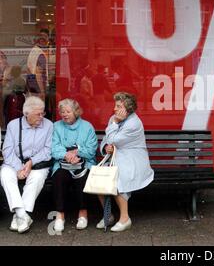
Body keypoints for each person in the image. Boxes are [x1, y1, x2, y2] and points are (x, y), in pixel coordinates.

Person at [98, 92, 154, 232]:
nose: (114, 109)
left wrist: (114, 126)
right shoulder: (114, 118)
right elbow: (107, 140)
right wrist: (106, 148)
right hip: (118, 157)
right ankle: (108, 215)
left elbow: (113, 139)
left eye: (118, 106)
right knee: (99, 179)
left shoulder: (133, 123)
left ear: (127, 109)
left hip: (133, 160)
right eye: (115, 105)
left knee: (118, 178)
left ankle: (124, 219)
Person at [0, 96, 53, 233]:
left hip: (38, 163)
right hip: (15, 162)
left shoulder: (48, 125)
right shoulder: (13, 125)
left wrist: (31, 162)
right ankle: (22, 215)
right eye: (38, 114)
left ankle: (18, 217)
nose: (41, 117)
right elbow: (7, 150)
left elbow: (48, 150)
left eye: (43, 113)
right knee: (5, 175)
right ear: (26, 114)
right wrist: (19, 168)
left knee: (36, 178)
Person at [51, 98, 97, 232]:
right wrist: (67, 155)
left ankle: (83, 214)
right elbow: (53, 148)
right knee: (58, 177)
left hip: (84, 163)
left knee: (83, 177)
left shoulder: (87, 127)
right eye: (62, 112)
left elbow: (91, 149)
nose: (64, 114)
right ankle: (60, 215)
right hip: (62, 164)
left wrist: (78, 152)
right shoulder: (56, 126)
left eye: (68, 111)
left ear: (76, 112)